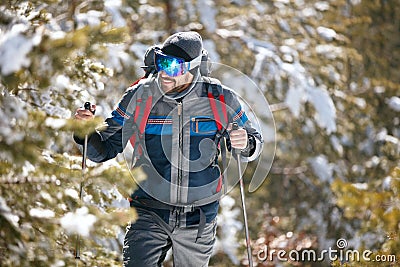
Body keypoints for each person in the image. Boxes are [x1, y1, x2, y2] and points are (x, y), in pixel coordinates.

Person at [74, 31, 263, 267]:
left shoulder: (220, 99)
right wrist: (85, 133)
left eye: (174, 67)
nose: (164, 72)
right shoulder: (140, 97)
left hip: (198, 218)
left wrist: (245, 142)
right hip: (148, 211)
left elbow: (255, 143)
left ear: (193, 68)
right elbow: (102, 150)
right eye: (162, 62)